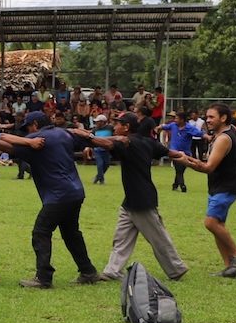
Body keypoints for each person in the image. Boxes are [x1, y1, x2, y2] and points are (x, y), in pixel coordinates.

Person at [0, 111, 101, 288]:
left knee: (41, 232)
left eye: (28, 127)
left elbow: (10, 148)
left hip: (58, 195)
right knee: (71, 233)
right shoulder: (63, 133)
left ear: (34, 124)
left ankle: (43, 277)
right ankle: (88, 271)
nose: (28, 131)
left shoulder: (37, 139)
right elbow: (85, 140)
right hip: (76, 192)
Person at [73, 113, 189, 281]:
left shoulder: (128, 143)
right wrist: (183, 156)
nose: (114, 126)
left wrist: (87, 137)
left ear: (126, 127)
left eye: (118, 124)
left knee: (158, 237)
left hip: (141, 199)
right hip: (133, 199)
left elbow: (106, 144)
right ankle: (113, 271)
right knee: (122, 237)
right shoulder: (147, 142)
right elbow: (169, 152)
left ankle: (176, 268)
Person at [172, 103, 236, 277]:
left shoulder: (223, 138)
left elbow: (208, 167)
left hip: (226, 187)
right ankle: (230, 268)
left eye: (211, 117)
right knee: (218, 226)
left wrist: (186, 161)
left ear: (223, 118)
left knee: (211, 222)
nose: (207, 120)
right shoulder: (225, 134)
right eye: (206, 117)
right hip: (218, 186)